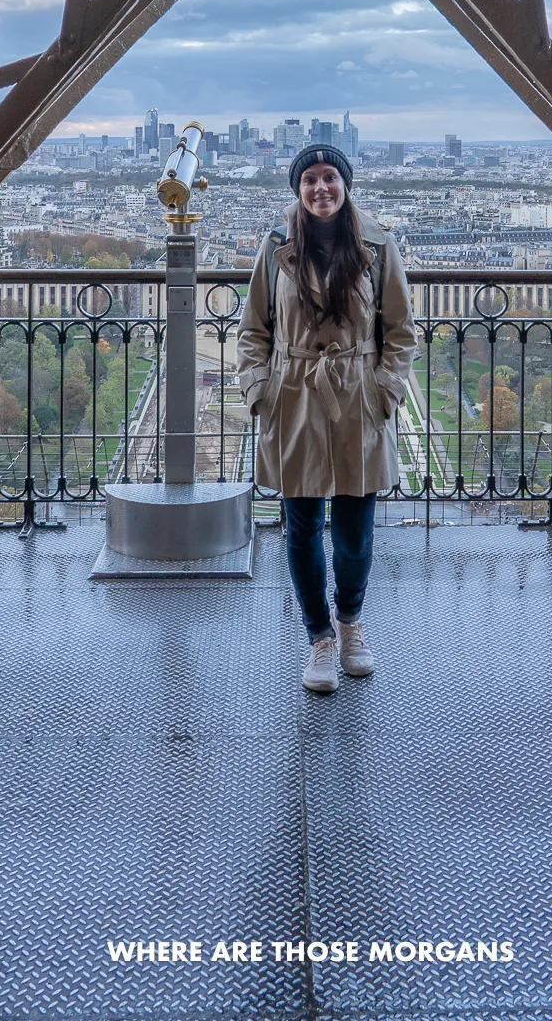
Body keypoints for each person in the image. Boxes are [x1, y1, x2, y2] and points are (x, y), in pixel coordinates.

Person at [236, 144, 416, 694]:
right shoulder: (274, 249)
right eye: (309, 179)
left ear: (346, 183)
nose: (320, 188)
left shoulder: (380, 245)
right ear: (298, 188)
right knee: (303, 528)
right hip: (294, 396)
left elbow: (401, 332)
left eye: (329, 177)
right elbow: (253, 331)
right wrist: (259, 390)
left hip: (355, 393)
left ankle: (351, 625)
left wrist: (385, 388)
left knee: (355, 532)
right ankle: (319, 636)